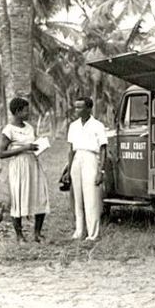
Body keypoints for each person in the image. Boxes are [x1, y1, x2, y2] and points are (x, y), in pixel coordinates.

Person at [0, 97, 50, 243]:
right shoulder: (8, 130)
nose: (29, 112)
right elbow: (2, 154)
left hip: (33, 164)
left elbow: (31, 144)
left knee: (40, 196)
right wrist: (24, 148)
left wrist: (39, 145)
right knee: (19, 198)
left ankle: (37, 233)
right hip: (18, 166)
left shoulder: (29, 127)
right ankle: (19, 235)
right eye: (26, 110)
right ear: (17, 111)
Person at [63, 97, 107, 241]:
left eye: (80, 107)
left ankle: (93, 234)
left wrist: (101, 171)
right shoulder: (73, 126)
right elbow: (71, 150)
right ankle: (79, 231)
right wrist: (68, 170)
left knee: (91, 198)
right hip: (77, 159)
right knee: (78, 198)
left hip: (91, 158)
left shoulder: (98, 125)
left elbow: (103, 149)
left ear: (89, 108)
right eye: (75, 107)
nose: (77, 110)